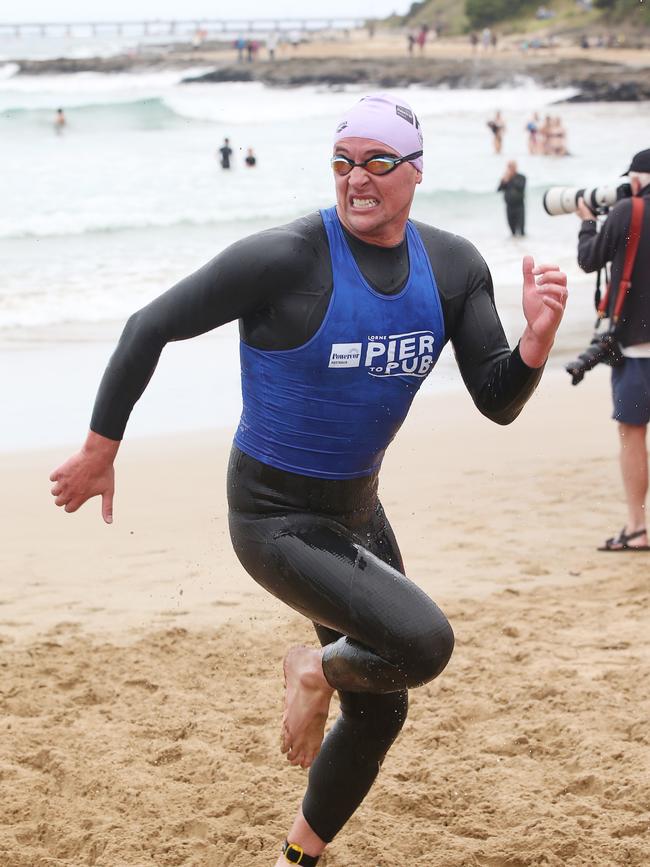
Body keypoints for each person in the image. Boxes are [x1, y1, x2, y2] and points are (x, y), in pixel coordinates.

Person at [49, 94, 568, 865]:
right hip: (272, 518)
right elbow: (148, 325)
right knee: (424, 643)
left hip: (355, 510)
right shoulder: (286, 258)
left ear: (415, 172)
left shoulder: (453, 267)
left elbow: (495, 400)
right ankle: (311, 666)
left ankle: (300, 853)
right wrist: (100, 448)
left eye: (378, 162)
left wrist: (534, 341)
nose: (357, 179)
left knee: (383, 704)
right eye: (342, 162)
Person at [576, 148, 650, 552]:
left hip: (639, 347)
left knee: (633, 434)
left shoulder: (628, 211)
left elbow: (589, 260)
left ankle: (638, 528)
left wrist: (588, 222)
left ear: (637, 178)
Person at [498, 160, 526, 237]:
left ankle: (524, 245)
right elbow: (499, 189)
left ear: (515, 167)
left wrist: (511, 178)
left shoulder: (521, 177)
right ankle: (513, 246)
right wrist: (504, 181)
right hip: (509, 206)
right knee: (512, 230)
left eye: (512, 166)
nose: (510, 168)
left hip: (519, 206)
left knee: (521, 229)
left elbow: (521, 187)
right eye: (509, 166)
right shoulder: (505, 178)